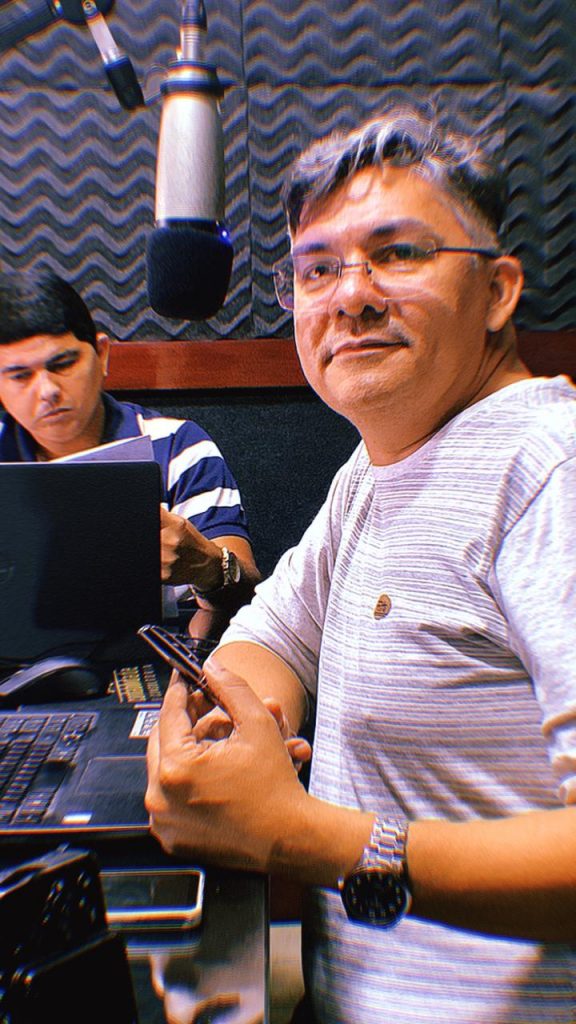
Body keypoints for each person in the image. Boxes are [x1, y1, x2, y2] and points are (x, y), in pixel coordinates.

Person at [145, 104, 576, 1024]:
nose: (351, 296)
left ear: (499, 290)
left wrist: (305, 836)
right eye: (317, 268)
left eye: (399, 253)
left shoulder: (548, 469)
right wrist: (234, 724)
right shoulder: (379, 466)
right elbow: (274, 632)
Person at [0, 270, 260, 618]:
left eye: (63, 364)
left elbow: (250, 602)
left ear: (102, 355)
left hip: (159, 646)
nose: (47, 391)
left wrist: (207, 566)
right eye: (20, 376)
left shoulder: (179, 447)